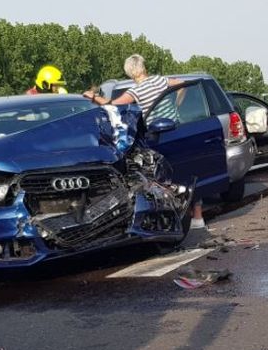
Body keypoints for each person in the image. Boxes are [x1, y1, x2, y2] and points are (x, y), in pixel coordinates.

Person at [82, 55, 208, 228]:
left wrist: (93, 97)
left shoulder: (136, 91)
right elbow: (181, 84)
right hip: (177, 130)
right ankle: (198, 217)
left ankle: (172, 219)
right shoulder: (159, 80)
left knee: (161, 177)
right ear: (143, 67)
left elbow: (113, 105)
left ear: (130, 73)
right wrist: (177, 104)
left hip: (158, 135)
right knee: (187, 171)